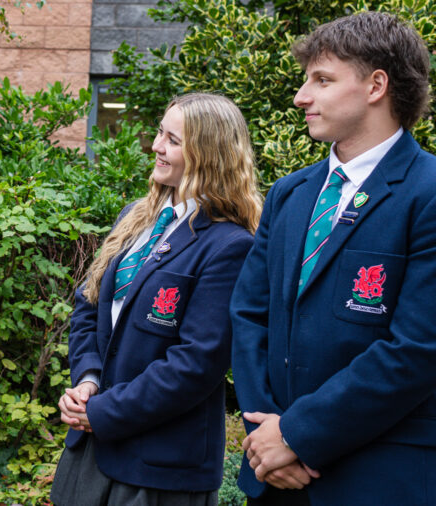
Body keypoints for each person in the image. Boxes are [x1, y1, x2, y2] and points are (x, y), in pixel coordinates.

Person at [231, 11, 436, 505]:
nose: (302, 96)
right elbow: (248, 316)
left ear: (376, 86)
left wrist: (298, 436)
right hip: (274, 478)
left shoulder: (427, 192)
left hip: (378, 476)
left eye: (322, 80)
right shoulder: (289, 194)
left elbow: (416, 349)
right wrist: (267, 438)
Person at [52, 93, 261, 506]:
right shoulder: (136, 216)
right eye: (159, 134)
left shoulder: (230, 245)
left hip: (159, 466)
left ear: (208, 154)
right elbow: (88, 307)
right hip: (91, 450)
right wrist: (88, 382)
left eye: (173, 140)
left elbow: (196, 364)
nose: (157, 147)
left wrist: (104, 413)